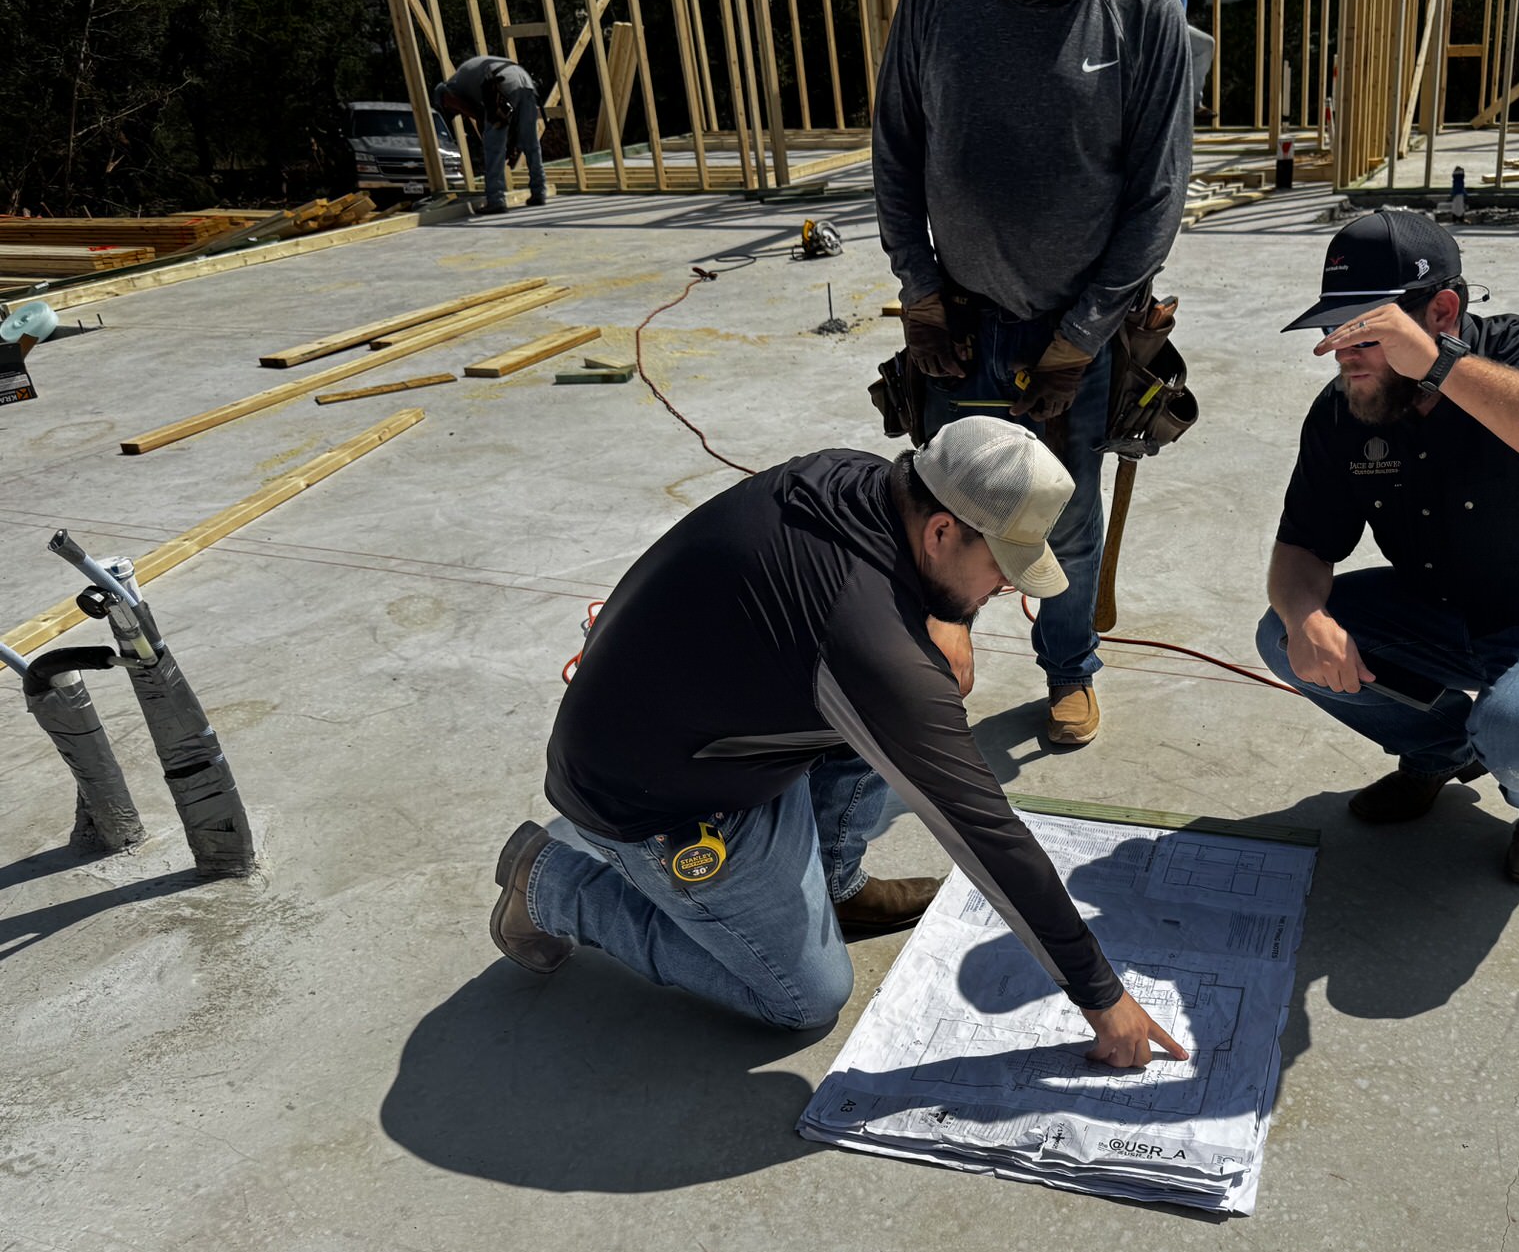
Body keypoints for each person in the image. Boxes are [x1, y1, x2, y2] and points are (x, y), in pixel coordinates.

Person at [490, 419, 1186, 1067]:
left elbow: (869, 606)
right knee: (803, 999)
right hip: (658, 802)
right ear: (942, 530)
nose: (1008, 585)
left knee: (916, 686)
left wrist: (950, 616)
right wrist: (1101, 995)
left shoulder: (854, 478)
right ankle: (554, 883)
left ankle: (832, 887)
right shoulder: (867, 647)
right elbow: (983, 832)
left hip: (699, 721)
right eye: (1002, 564)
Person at [1254, 210, 1519, 888]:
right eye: (1335, 335)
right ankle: (1440, 747)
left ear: (1443, 310)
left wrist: (1440, 367)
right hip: (1448, 611)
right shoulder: (1346, 411)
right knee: (1285, 635)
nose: (1345, 356)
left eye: (1367, 334)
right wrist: (1307, 617)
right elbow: (1301, 551)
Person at [872, 0, 1194, 748]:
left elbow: (1159, 193)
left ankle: (1070, 667)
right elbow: (898, 145)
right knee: (943, 515)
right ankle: (931, 671)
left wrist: (1082, 336)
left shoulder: (1141, 7)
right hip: (961, 322)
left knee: (1069, 522)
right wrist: (920, 289)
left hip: (1078, 330)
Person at [433, 55, 546, 215]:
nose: (457, 113)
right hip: (524, 81)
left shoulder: (448, 92)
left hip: (500, 83)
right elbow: (492, 120)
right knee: (530, 143)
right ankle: (539, 191)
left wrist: (501, 141)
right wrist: (509, 142)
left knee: (493, 149)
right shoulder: (468, 79)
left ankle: (496, 200)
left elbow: (478, 116)